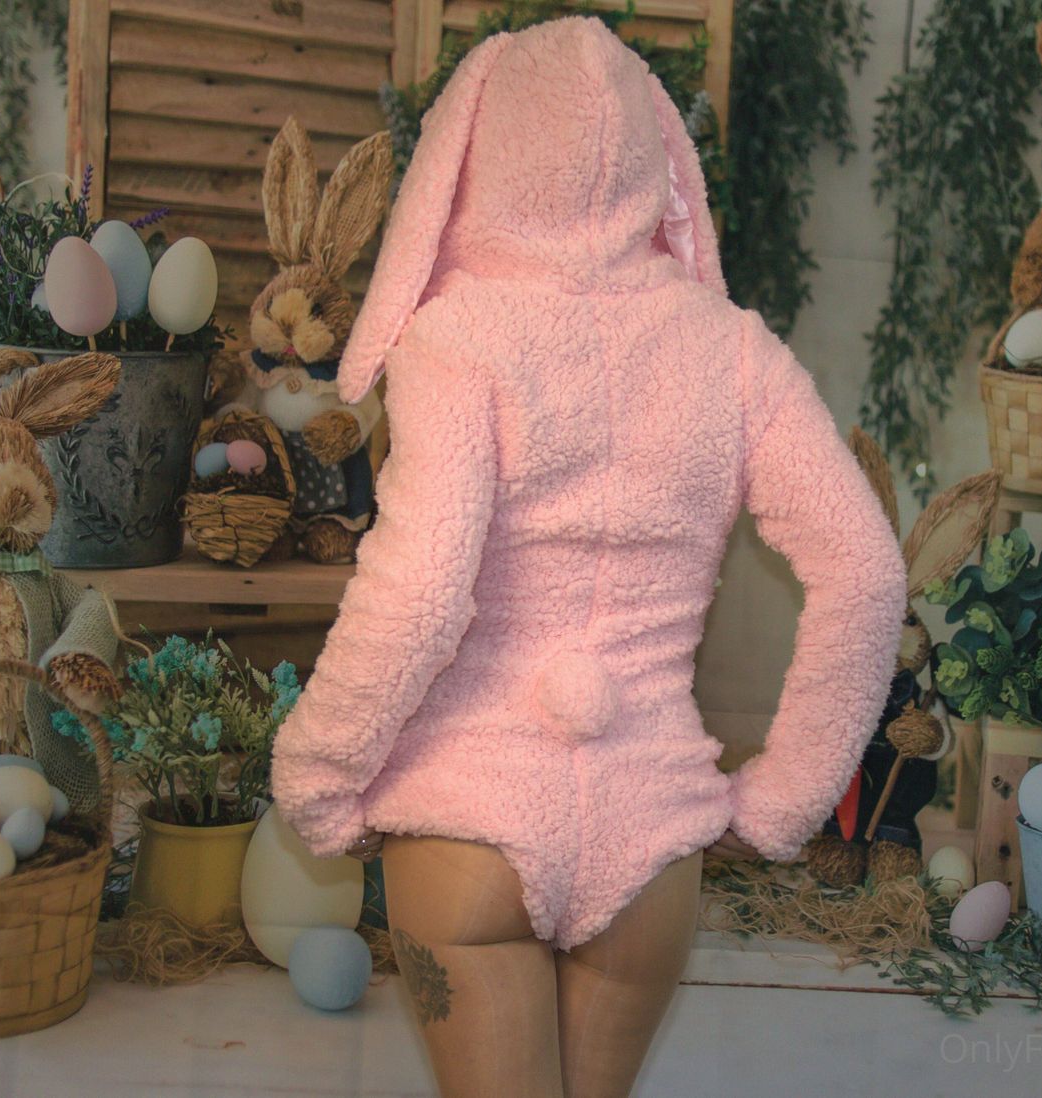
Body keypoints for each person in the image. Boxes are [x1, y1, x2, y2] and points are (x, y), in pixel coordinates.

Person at [272, 17, 906, 1097]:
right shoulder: (733, 351)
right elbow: (867, 568)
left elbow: (423, 587)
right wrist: (781, 802)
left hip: (470, 822)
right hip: (648, 837)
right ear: (656, 161)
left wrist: (319, 774)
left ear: (472, 157)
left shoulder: (456, 338)